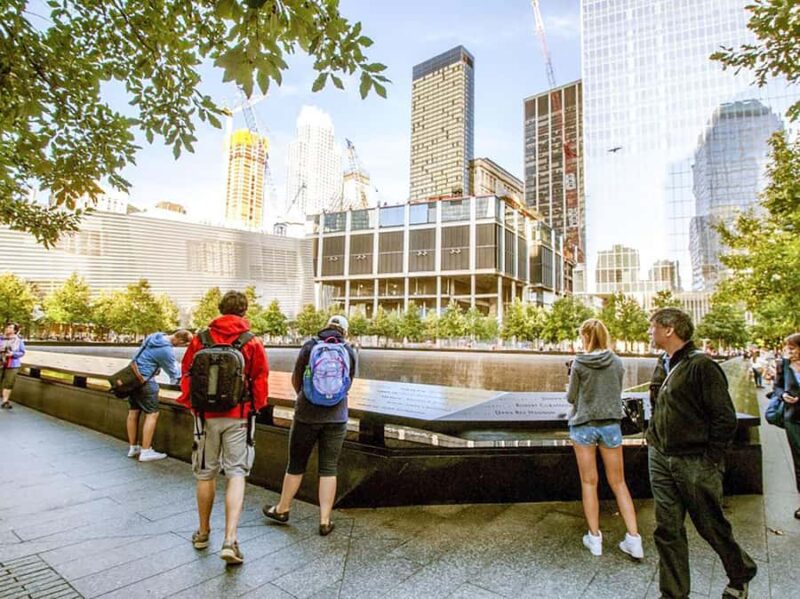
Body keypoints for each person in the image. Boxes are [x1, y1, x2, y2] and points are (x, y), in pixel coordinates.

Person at [647, 308, 757, 599]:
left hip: (694, 460)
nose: (650, 332)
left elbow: (725, 419)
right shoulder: (663, 363)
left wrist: (710, 460)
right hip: (660, 455)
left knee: (710, 525)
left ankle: (740, 570)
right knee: (667, 528)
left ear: (669, 330)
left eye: (653, 327)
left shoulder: (702, 367)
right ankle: (673, 593)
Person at [179, 290, 269, 565]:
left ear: (220, 309)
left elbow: (186, 374)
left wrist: (195, 407)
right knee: (236, 474)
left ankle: (203, 532)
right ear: (244, 311)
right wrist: (253, 408)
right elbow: (260, 381)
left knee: (205, 475)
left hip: (205, 418)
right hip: (238, 417)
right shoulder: (251, 342)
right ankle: (230, 540)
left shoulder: (201, 339)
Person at [263, 315, 356, 537]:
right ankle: (325, 520)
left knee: (296, 464)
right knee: (329, 468)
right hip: (337, 417)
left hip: (306, 415)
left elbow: (296, 378)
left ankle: (283, 509)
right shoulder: (349, 350)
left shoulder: (309, 346)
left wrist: (306, 398)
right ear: (345, 331)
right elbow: (348, 382)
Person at [566, 318, 643, 559]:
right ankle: (634, 540)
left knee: (590, 483)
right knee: (619, 483)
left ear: (586, 337)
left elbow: (571, 398)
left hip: (584, 426)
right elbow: (615, 392)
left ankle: (595, 539)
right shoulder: (617, 361)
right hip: (610, 426)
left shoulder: (579, 362)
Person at [126, 330, 193, 461]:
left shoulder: (155, 336)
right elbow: (174, 374)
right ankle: (146, 451)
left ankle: (133, 447)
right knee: (152, 414)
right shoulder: (166, 350)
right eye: (183, 344)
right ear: (180, 341)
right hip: (146, 382)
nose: (180, 347)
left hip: (133, 379)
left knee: (133, 412)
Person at [770, 333, 800, 520]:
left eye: (793, 348)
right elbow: (777, 387)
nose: (789, 352)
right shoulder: (784, 364)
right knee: (799, 462)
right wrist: (783, 396)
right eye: (787, 348)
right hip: (793, 419)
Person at [1, 323, 26, 409]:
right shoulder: (1, 339)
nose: (8, 329)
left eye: (10, 327)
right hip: (1, 363)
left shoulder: (19, 340)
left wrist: (13, 354)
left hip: (12, 364)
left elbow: (22, 352)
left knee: (9, 383)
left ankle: (5, 401)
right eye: (7, 327)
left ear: (15, 330)